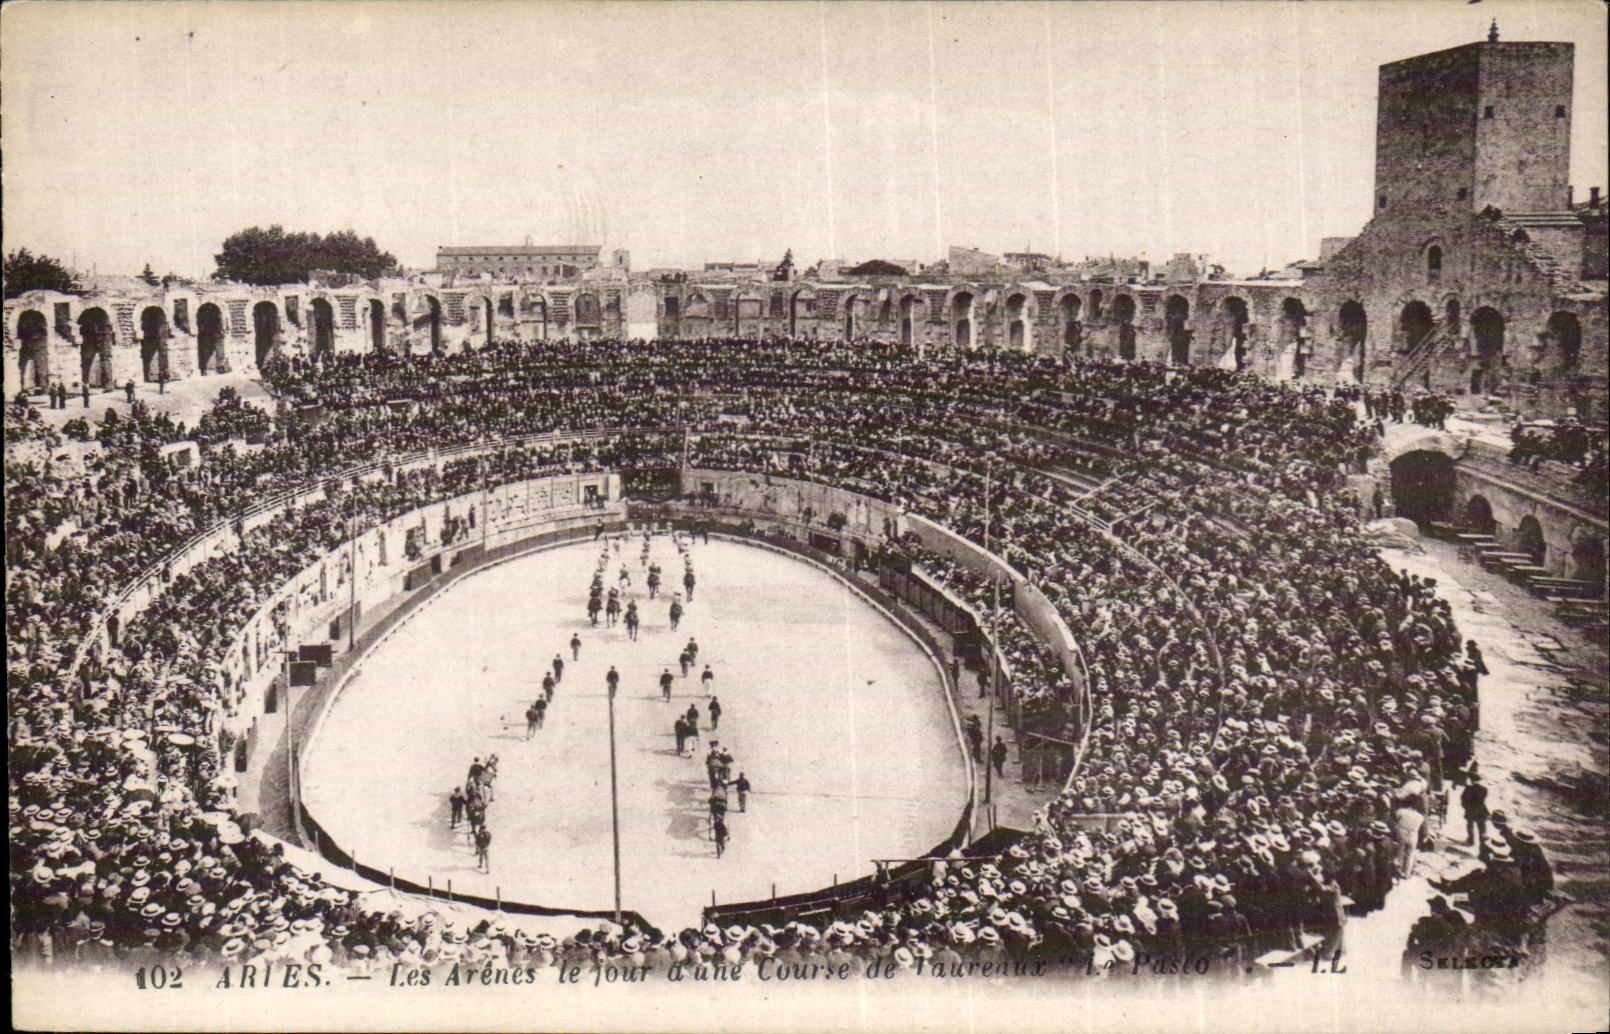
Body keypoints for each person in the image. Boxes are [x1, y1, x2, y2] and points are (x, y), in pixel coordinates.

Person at [1460, 774, 1489, 854]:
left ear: (1472, 780)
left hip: (1471, 810)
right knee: (1481, 827)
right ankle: (1483, 843)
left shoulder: (1468, 789)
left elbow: (1463, 798)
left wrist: (1466, 806)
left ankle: (1471, 840)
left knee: (1470, 825)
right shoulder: (1484, 789)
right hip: (1481, 810)